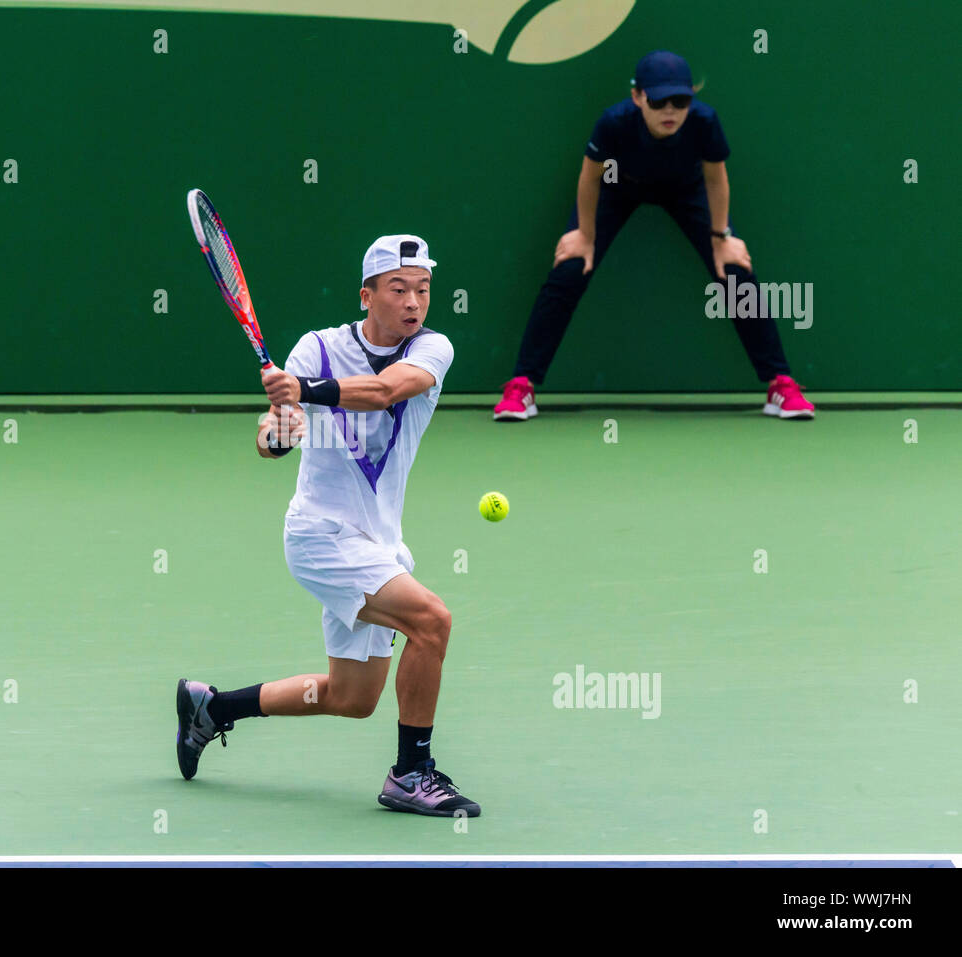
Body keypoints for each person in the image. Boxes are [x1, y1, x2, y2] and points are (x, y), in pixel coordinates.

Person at [176, 234, 480, 818]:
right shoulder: (314, 349)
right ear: (367, 295)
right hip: (320, 537)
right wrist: (281, 429)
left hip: (382, 544)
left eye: (423, 289)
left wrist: (307, 392)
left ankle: (211, 709)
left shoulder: (432, 349)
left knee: (352, 697)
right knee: (432, 622)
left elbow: (389, 391)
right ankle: (411, 773)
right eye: (399, 290)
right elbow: (272, 440)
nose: (414, 302)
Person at [494, 50, 815, 422]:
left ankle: (780, 383)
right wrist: (584, 234)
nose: (671, 110)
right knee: (569, 267)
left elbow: (715, 177)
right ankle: (522, 386)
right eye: (659, 100)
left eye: (681, 101)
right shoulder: (614, 122)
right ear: (637, 97)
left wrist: (721, 235)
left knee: (735, 272)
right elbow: (590, 176)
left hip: (686, 189)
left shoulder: (704, 121)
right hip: (619, 186)